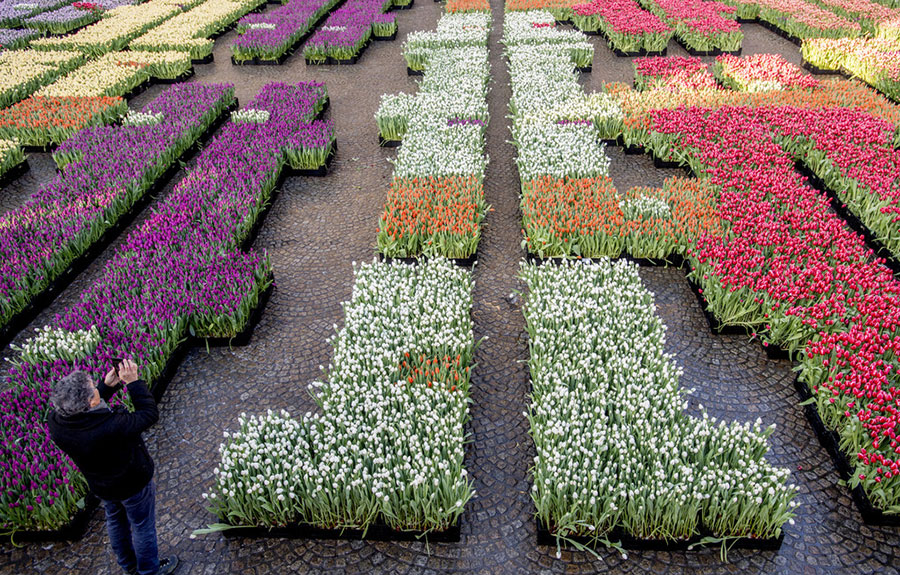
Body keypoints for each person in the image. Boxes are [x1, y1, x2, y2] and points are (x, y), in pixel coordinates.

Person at [48, 359, 179, 575]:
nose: (95, 387)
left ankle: (129, 566)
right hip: (132, 483)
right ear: (91, 403)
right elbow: (148, 415)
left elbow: (85, 416)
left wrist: (105, 387)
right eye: (93, 389)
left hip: (102, 485)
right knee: (142, 526)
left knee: (115, 521)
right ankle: (149, 571)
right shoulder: (111, 426)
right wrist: (133, 383)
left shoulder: (57, 423)